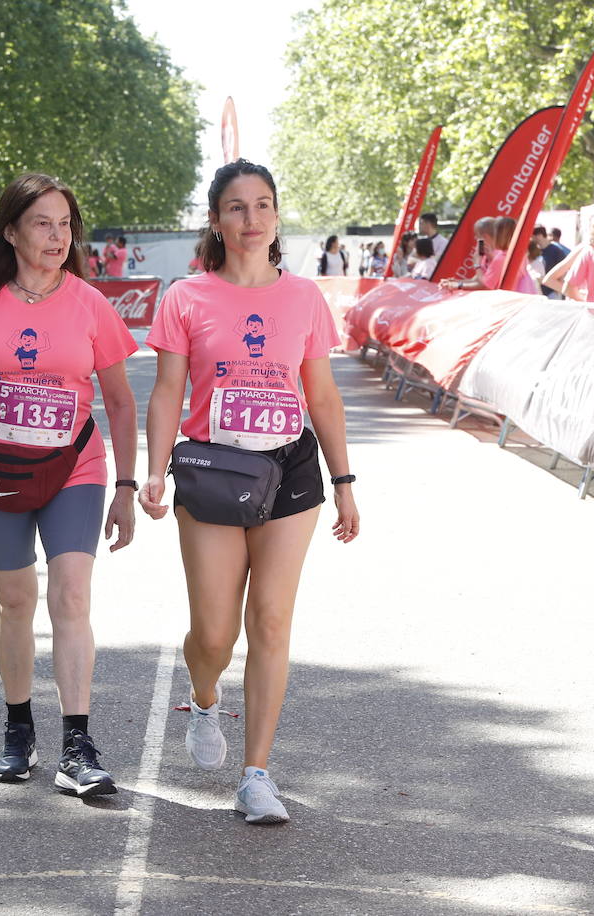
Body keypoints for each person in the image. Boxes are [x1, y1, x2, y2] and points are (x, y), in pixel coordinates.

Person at [139, 159, 358, 825]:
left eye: (263, 205)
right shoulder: (186, 297)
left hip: (290, 468)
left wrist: (344, 482)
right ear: (216, 219)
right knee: (213, 631)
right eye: (237, 207)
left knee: (269, 620)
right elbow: (169, 390)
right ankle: (205, 697)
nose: (251, 219)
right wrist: (153, 470)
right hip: (210, 468)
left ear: (275, 217)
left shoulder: (304, 299)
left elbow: (320, 394)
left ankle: (256, 775)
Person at [0, 173, 138, 797]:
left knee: (71, 597)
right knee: (15, 600)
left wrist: (125, 486)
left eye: (65, 223)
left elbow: (120, 403)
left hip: (75, 467)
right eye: (42, 222)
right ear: (10, 231)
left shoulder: (91, 304)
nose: (57, 235)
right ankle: (19, 728)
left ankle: (77, 744)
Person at [533, 226, 569, 298]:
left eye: (533, 237)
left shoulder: (556, 251)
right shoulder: (536, 251)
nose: (532, 239)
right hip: (539, 292)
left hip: (552, 293)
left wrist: (558, 292)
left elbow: (563, 271)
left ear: (539, 236)